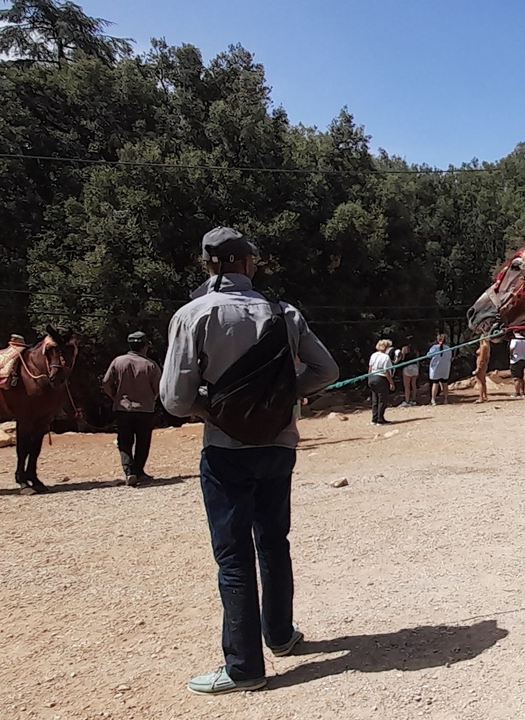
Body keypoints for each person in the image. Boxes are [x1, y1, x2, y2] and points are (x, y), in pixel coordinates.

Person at [161, 227, 339, 695]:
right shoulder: (285, 312)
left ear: (208, 265)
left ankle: (244, 668)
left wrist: (218, 407)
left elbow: (175, 401)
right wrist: (279, 399)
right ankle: (280, 635)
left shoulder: (193, 314)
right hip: (280, 445)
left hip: (225, 448)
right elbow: (327, 371)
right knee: (274, 542)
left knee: (234, 556)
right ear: (248, 263)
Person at [102, 331, 162, 486]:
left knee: (124, 441)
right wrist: (151, 399)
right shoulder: (150, 365)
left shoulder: (118, 361)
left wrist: (116, 398)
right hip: (145, 409)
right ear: (145, 346)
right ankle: (140, 471)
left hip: (123, 408)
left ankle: (129, 471)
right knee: (143, 441)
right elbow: (158, 388)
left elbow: (106, 383)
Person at [368, 339, 394, 425]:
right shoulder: (386, 357)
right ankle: (380, 419)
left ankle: (374, 419)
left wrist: (369, 378)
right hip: (381, 378)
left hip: (372, 377)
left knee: (375, 400)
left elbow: (370, 368)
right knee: (382, 399)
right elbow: (386, 371)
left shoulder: (373, 355)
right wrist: (391, 382)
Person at [427, 333, 451, 405]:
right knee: (445, 384)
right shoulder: (448, 348)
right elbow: (450, 357)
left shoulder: (434, 347)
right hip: (445, 368)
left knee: (435, 383)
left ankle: (433, 400)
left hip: (436, 368)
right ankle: (446, 399)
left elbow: (428, 355)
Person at [508, 331, 525, 397]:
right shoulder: (524, 339)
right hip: (522, 359)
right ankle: (523, 391)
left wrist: (510, 355)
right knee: (521, 377)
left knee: (516, 378)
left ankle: (517, 392)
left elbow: (512, 348)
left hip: (515, 360)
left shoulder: (514, 339)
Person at [398, 343, 418, 407]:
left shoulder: (404, 349)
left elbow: (402, 358)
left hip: (407, 367)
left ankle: (407, 401)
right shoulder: (415, 350)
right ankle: (413, 400)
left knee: (407, 386)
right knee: (414, 384)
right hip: (415, 367)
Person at [474, 338, 490, 404]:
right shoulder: (485, 346)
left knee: (480, 381)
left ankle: (481, 398)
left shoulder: (483, 347)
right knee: (483, 381)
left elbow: (481, 358)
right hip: (483, 365)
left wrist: (478, 368)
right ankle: (485, 396)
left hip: (481, 365)